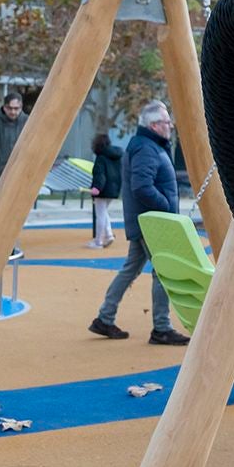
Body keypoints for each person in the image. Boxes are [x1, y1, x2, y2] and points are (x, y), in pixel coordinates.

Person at [88, 100, 191, 346]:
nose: (170, 126)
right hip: (152, 222)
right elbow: (142, 186)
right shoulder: (146, 149)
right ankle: (161, 328)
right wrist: (166, 206)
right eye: (166, 122)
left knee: (130, 269)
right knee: (163, 271)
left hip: (145, 220)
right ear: (154, 125)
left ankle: (105, 317)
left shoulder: (147, 145)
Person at [88, 131, 123, 248]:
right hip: (114, 189)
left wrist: (97, 187)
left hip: (102, 190)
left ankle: (98, 241)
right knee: (103, 212)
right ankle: (109, 235)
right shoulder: (117, 156)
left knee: (100, 215)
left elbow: (100, 175)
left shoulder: (101, 158)